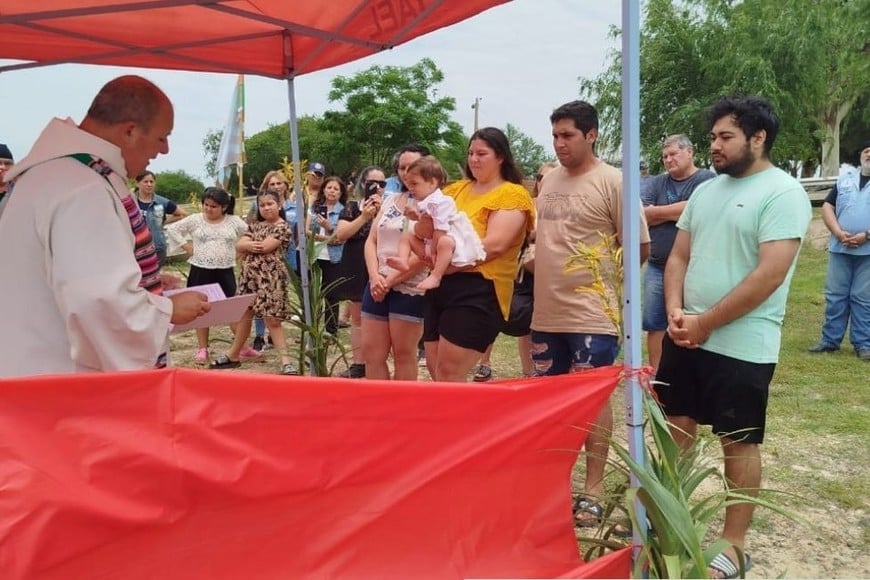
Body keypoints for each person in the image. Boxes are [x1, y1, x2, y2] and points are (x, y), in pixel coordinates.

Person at [655, 96, 811, 579]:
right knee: (674, 429)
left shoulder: (783, 193)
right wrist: (677, 311)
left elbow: (769, 275)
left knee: (737, 442)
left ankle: (734, 544)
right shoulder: (706, 191)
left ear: (757, 138)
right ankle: (670, 527)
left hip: (742, 346)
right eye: (713, 138)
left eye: (725, 137)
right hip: (685, 336)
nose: (715, 147)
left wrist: (706, 322)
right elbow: (678, 256)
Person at [0, 75, 209, 377]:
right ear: (130, 131)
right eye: (162, 136)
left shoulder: (52, 174)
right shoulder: (83, 188)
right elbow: (98, 301)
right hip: (62, 386)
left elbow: (63, 273)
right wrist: (167, 311)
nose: (164, 150)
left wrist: (144, 280)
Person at [530, 100, 650, 529]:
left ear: (591, 134)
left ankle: (593, 488)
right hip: (547, 313)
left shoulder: (613, 181)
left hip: (592, 315)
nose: (560, 144)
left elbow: (638, 246)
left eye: (568, 135)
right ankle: (550, 484)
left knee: (592, 402)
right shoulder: (548, 182)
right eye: (555, 136)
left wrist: (609, 291)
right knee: (548, 404)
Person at [419, 128, 534, 382]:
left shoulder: (512, 194)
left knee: (450, 371)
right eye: (471, 153)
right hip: (441, 284)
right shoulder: (455, 190)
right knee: (435, 369)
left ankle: (459, 421)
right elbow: (427, 226)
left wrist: (447, 265)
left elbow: (495, 245)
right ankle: (447, 421)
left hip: (479, 289)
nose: (474, 159)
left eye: (482, 153)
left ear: (501, 157)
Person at [472, 160, 558, 382]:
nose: (544, 182)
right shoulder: (526, 202)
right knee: (509, 317)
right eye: (540, 177)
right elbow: (520, 234)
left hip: (550, 274)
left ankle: (532, 373)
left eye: (550, 177)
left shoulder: (560, 205)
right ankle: (487, 362)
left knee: (535, 325)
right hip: (521, 271)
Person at [641, 134, 715, 370]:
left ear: (690, 152)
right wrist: (679, 211)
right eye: (665, 156)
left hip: (693, 266)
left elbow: (698, 209)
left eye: (673, 154)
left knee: (690, 319)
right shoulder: (657, 182)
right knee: (654, 323)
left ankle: (688, 372)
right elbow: (642, 214)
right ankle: (657, 375)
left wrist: (657, 212)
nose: (668, 160)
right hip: (656, 265)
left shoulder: (706, 179)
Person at [361, 145, 431, 379]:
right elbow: (372, 241)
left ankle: (404, 412)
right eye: (401, 167)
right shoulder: (390, 200)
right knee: (372, 354)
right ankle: (377, 411)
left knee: (403, 354)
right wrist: (374, 277)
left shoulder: (433, 205)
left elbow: (425, 254)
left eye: (412, 166)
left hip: (408, 287)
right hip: (376, 284)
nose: (406, 172)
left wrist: (389, 282)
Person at [166, 187, 258, 365]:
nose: (208, 209)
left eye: (213, 206)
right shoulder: (195, 220)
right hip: (200, 269)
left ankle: (241, 346)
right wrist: (186, 247)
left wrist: (241, 250)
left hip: (225, 270)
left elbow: (250, 233)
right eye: (206, 205)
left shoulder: (234, 221)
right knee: (200, 310)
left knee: (233, 309)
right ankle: (202, 348)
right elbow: (172, 229)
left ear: (223, 207)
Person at [210, 190, 297, 375]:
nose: (266, 208)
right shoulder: (254, 225)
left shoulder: (283, 227)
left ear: (279, 205)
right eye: (262, 205)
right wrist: (247, 245)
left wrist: (248, 245)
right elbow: (239, 245)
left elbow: (265, 247)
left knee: (272, 319)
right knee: (244, 315)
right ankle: (233, 355)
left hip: (270, 278)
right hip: (249, 277)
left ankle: (286, 362)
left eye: (270, 204)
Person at [808, 140, 870, 361]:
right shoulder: (845, 179)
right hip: (840, 248)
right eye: (866, 150)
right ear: (861, 155)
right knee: (835, 296)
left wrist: (866, 235)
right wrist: (837, 232)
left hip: (868, 252)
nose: (869, 154)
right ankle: (829, 341)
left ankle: (864, 344)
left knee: (863, 298)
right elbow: (827, 206)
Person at [388, 156, 486, 290]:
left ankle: (436, 276)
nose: (410, 188)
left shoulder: (443, 201)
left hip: (444, 245)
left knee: (445, 242)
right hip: (430, 244)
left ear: (432, 183)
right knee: (406, 234)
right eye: (409, 184)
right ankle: (403, 260)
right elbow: (426, 223)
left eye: (415, 184)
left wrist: (433, 252)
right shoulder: (424, 202)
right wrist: (415, 216)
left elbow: (440, 229)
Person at [333, 166, 384, 378]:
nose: (378, 188)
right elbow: (340, 234)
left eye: (382, 184)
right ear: (363, 184)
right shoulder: (353, 207)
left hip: (380, 265)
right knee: (357, 317)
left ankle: (377, 361)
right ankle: (358, 363)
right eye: (373, 183)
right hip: (355, 264)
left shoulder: (390, 206)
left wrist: (379, 212)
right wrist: (364, 216)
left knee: (380, 318)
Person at [250, 170, 292, 352]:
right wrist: (249, 244)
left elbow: (265, 244)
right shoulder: (258, 209)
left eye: (279, 183)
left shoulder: (294, 205)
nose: (276, 186)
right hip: (256, 266)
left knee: (275, 302)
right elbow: (246, 234)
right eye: (272, 184)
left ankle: (274, 337)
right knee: (257, 301)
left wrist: (252, 244)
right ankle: (259, 335)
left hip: (284, 256)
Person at [307, 175, 348, 337]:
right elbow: (306, 230)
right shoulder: (314, 208)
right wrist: (327, 239)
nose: (332, 191)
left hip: (333, 257)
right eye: (329, 187)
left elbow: (340, 237)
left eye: (336, 189)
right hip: (314, 255)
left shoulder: (344, 211)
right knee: (312, 292)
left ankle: (331, 331)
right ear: (323, 189)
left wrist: (327, 227)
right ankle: (312, 330)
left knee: (332, 294)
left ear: (341, 193)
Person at [135, 170, 186, 265]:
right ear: (138, 184)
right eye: (145, 182)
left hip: (157, 247)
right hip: (134, 247)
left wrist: (164, 222)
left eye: (151, 182)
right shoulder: (131, 202)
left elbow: (182, 214)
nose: (149, 184)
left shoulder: (161, 202)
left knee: (153, 276)